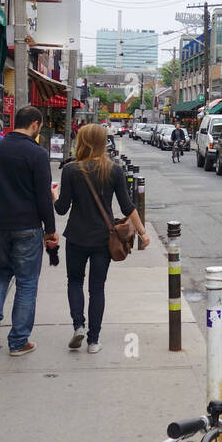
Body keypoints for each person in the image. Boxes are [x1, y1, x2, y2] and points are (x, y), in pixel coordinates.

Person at [55, 124, 149, 354]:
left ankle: (78, 324)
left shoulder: (70, 170)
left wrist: (54, 194)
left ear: (82, 141)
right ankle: (93, 340)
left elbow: (61, 209)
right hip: (103, 239)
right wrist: (143, 233)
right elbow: (128, 206)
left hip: (76, 236)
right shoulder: (114, 170)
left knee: (75, 281)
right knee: (97, 288)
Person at [0, 106, 58, 357]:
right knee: (26, 282)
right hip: (27, 226)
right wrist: (50, 231)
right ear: (35, 124)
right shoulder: (37, 154)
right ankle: (19, 341)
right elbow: (44, 196)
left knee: (0, 273)